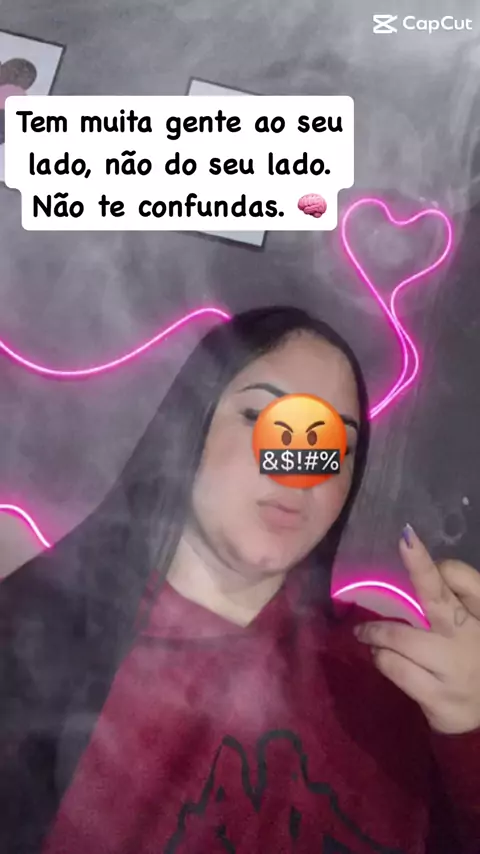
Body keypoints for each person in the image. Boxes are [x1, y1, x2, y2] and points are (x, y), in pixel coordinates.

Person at [0, 305, 479, 854]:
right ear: (189, 426)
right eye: (260, 416)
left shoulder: (396, 678)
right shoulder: (33, 631)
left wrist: (473, 733)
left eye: (333, 446)